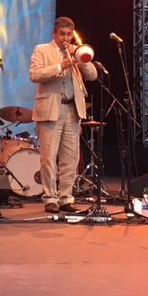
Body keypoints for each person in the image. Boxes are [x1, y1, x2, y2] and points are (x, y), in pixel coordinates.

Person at [29, 16, 97, 213]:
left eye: (68, 34)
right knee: (48, 158)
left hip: (72, 109)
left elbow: (92, 75)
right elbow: (34, 74)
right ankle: (50, 198)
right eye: (62, 34)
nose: (65, 38)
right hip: (51, 108)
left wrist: (81, 58)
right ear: (54, 33)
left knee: (70, 157)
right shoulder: (42, 49)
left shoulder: (76, 51)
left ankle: (66, 198)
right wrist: (61, 66)